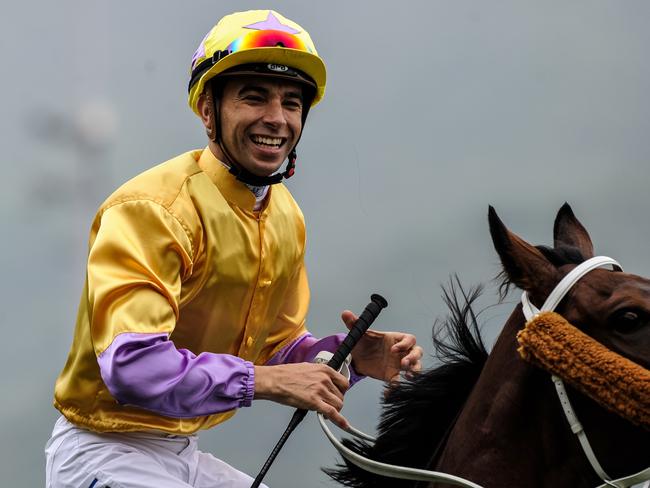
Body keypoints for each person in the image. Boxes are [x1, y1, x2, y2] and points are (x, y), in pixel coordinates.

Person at [45, 9, 423, 488]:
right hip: (104, 452)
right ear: (208, 110)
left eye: (291, 102)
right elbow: (131, 367)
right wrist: (265, 383)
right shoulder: (152, 210)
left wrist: (349, 358)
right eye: (254, 97)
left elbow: (274, 351)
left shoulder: (285, 215)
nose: (276, 119)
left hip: (183, 453)